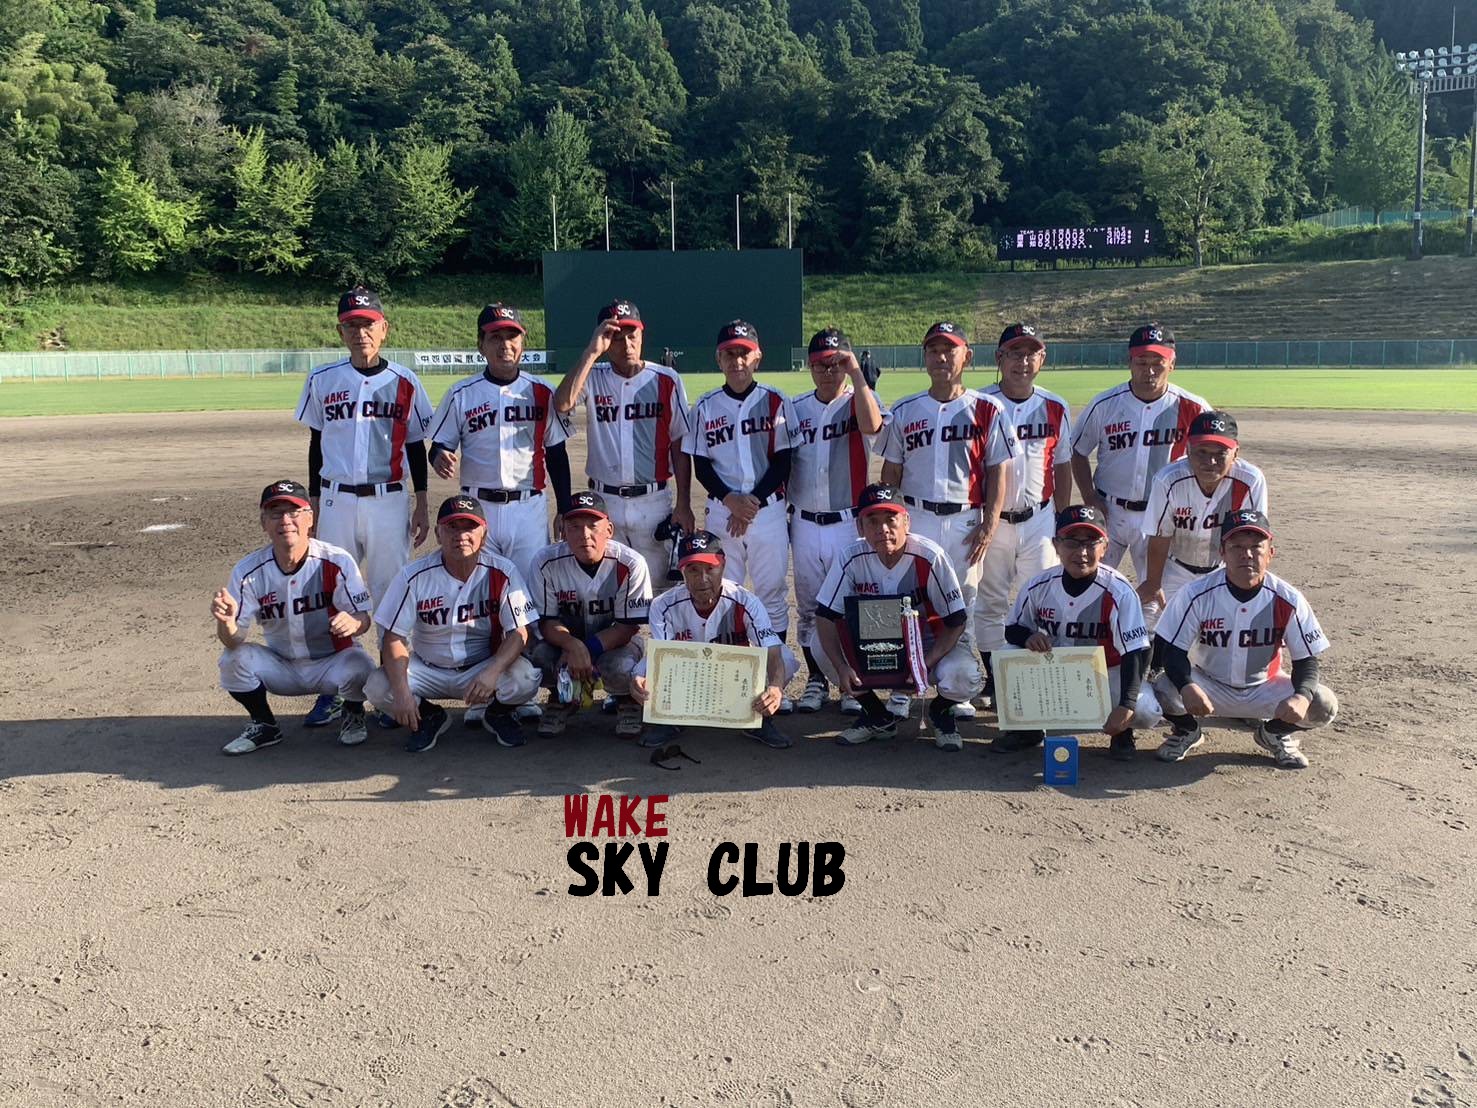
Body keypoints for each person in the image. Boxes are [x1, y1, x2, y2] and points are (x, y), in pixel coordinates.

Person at [294, 286, 434, 730]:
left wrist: (422, 501)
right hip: (336, 498)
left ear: (384, 328)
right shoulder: (322, 379)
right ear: (341, 331)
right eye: (352, 325)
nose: (361, 332)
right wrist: (314, 503)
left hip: (390, 498)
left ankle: (394, 685)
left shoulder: (406, 381)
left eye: (368, 324)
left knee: (391, 592)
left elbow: (416, 445)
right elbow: (316, 444)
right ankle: (341, 690)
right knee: (334, 591)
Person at [876, 321, 1019, 720]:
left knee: (964, 603)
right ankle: (902, 685)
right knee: (906, 598)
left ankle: (957, 688)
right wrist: (892, 520)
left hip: (964, 519)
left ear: (966, 356)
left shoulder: (988, 408)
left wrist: (990, 523)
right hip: (916, 515)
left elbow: (998, 471)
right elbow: (891, 471)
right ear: (924, 357)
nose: (941, 357)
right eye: (933, 350)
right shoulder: (905, 409)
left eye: (949, 350)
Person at [1151, 510, 1338, 769]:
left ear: (1270, 553)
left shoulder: (1288, 598)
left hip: (1266, 687)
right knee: (1161, 688)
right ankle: (1187, 731)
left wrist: (1302, 696)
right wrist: (1186, 686)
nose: (1246, 554)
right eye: (1236, 546)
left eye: (1256, 547)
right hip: (1210, 685)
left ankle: (1274, 733)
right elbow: (1172, 651)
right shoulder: (1196, 594)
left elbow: (1307, 659)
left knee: (1322, 704)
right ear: (1222, 553)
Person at [363, 496, 541, 754]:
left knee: (526, 678)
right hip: (428, 668)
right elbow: (393, 637)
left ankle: (497, 714)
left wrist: (493, 671)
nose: (461, 536)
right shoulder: (414, 575)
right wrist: (401, 692)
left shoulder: (503, 571)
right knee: (377, 687)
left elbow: (519, 632)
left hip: (481, 666)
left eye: (469, 527)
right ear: (438, 534)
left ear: (484, 534)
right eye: (452, 528)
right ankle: (429, 717)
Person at [813, 483, 984, 752]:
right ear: (860, 527)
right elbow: (824, 615)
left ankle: (941, 712)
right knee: (819, 645)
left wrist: (924, 665)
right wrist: (841, 666)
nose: (882, 529)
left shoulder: (931, 556)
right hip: (873, 646)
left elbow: (956, 621)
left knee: (964, 675)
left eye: (891, 519)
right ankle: (877, 715)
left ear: (907, 522)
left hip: (928, 643)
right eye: (872, 521)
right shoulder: (851, 556)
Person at [213, 480, 375, 755]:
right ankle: (265, 725)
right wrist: (226, 623)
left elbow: (364, 619)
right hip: (282, 665)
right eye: (276, 513)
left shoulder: (337, 560)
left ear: (310, 518)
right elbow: (233, 640)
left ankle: (352, 711)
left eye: (294, 512)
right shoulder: (249, 570)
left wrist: (354, 622)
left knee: (361, 666)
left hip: (331, 663)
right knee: (233, 659)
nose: (286, 521)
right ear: (263, 522)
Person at [686, 319, 797, 708]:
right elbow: (701, 465)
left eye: (744, 353)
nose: (737, 360)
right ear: (718, 359)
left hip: (766, 511)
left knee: (771, 593)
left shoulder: (776, 400)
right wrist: (730, 499)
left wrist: (751, 503)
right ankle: (726, 679)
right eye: (729, 353)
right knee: (721, 593)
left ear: (757, 357)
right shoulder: (705, 406)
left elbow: (783, 461)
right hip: (722, 512)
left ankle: (774, 680)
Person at [994, 505, 1158, 760]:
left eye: (1091, 543)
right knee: (1009, 653)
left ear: (1104, 547)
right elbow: (1012, 628)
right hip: (1057, 673)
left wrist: (1126, 705)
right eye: (1071, 542)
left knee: (1145, 710)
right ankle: (1028, 730)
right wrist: (1027, 637)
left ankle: (1122, 732)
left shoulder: (1119, 591)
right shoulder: (1039, 585)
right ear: (1056, 545)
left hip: (1108, 674)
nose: (1081, 552)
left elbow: (1135, 652)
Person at [426, 302, 572, 587]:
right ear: (481, 345)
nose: (505, 344)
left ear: (522, 343)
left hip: (528, 508)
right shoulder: (461, 393)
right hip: (478, 507)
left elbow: (556, 453)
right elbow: (439, 445)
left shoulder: (543, 391)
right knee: (481, 589)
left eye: (512, 336)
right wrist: (439, 456)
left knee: (530, 589)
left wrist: (564, 507)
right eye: (495, 337)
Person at [552, 299, 696, 589]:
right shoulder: (593, 377)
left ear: (642, 335)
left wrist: (683, 503)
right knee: (608, 588)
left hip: (653, 501)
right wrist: (592, 352)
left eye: (633, 335)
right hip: (605, 501)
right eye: (617, 338)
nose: (627, 344)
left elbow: (679, 442)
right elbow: (563, 403)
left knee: (659, 588)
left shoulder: (666, 379)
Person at [788, 327, 886, 715]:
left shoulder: (861, 399)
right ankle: (816, 677)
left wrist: (857, 374)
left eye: (836, 364)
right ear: (809, 367)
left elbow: (873, 427)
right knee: (809, 606)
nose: (828, 372)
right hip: (805, 521)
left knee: (853, 603)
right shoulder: (795, 407)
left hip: (849, 521)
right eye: (820, 365)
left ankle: (852, 681)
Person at [977, 322, 1073, 710]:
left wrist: (1063, 519)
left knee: (1043, 601)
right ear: (999, 358)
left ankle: (1038, 678)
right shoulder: (980, 403)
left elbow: (1062, 465)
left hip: (1039, 518)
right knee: (989, 601)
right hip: (992, 520)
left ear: (1042, 359)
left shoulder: (1055, 406)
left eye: (1030, 353)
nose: (1023, 361)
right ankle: (993, 677)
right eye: (1015, 353)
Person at [631, 530, 796, 749]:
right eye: (693, 570)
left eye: (710, 568)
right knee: (640, 672)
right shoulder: (663, 605)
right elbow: (663, 658)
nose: (703, 579)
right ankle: (668, 719)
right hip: (687, 672)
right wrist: (642, 681)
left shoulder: (746, 601)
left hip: (732, 674)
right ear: (682, 571)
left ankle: (758, 719)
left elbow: (772, 651)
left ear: (723, 566)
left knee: (785, 658)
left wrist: (775, 688)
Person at [1070, 323, 1209, 582]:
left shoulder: (1194, 408)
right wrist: (1089, 495)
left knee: (1155, 589)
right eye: (1142, 362)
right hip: (1109, 509)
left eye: (1158, 362)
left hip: (1161, 512)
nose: (1149, 370)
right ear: (1130, 362)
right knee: (1091, 583)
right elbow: (1077, 451)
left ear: (1172, 364)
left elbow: (1213, 457)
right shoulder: (1105, 404)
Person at [527, 491, 651, 739]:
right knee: (537, 655)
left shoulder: (631, 563)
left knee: (620, 666)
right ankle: (560, 697)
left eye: (593, 526)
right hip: (562, 643)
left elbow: (628, 627)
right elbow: (546, 622)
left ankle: (627, 700)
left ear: (609, 529)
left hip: (616, 643)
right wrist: (572, 645)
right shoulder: (545, 562)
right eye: (574, 526)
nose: (584, 534)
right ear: (563, 531)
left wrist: (587, 649)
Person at [1138, 410, 1267, 631]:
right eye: (1202, 452)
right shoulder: (1168, 479)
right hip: (1173, 566)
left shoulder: (1250, 481)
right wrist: (1154, 583)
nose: (1210, 461)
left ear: (1235, 452)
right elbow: (1160, 536)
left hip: (1222, 568)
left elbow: (1254, 540)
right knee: (1148, 623)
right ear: (1188, 449)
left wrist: (1246, 585)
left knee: (1227, 628)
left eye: (1220, 453)